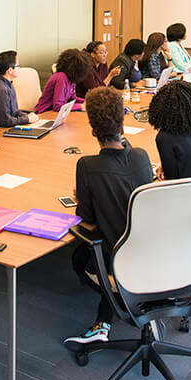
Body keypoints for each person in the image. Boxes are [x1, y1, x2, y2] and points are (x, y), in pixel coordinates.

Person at [64, 87, 152, 344]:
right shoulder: (141, 156)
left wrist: (85, 196)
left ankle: (108, 312)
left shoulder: (87, 165)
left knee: (80, 256)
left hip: (118, 259)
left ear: (92, 130)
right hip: (152, 251)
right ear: (122, 124)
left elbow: (87, 220)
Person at [0, 50, 38, 128]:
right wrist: (27, 119)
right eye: (18, 66)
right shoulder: (1, 90)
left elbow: (14, 111)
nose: (20, 68)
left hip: (4, 126)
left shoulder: (8, 84)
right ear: (10, 70)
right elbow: (6, 121)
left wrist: (27, 116)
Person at [35, 48, 90, 112]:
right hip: (45, 112)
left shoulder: (72, 78)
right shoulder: (62, 77)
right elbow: (58, 107)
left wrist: (87, 102)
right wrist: (81, 106)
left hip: (54, 112)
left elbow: (72, 99)